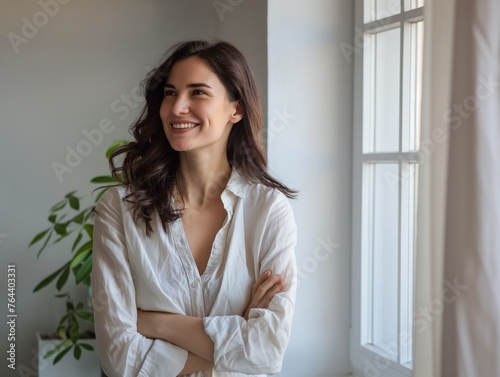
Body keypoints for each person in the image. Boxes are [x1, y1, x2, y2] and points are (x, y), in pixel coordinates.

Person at [91, 40, 297, 377]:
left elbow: (267, 353)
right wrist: (233, 342)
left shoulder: (268, 211)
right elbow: (118, 357)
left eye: (198, 92)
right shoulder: (119, 209)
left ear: (237, 109)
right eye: (170, 93)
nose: (176, 108)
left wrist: (154, 323)